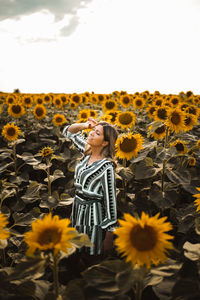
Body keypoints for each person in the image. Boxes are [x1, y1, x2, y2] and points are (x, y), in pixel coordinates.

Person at [62, 118, 118, 264]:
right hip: (77, 211)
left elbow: (110, 200)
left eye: (97, 133)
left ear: (105, 142)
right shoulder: (88, 150)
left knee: (91, 256)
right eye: (93, 131)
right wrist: (86, 125)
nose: (92, 133)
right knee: (75, 253)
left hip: (94, 215)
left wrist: (109, 236)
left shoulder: (106, 167)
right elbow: (68, 132)